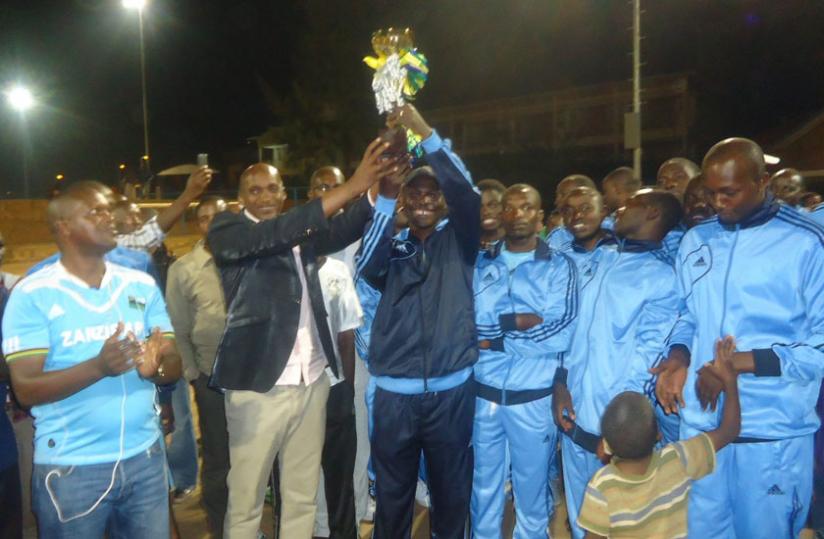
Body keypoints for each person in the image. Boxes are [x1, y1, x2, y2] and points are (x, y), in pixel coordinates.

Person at [207, 140, 399, 539]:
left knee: (302, 495)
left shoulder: (301, 233)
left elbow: (345, 227)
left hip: (311, 383)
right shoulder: (229, 230)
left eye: (273, 188)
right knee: (247, 500)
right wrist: (350, 186)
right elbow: (273, 236)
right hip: (258, 388)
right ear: (241, 196)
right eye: (254, 190)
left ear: (283, 192)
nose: (264, 197)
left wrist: (377, 188)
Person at [654, 137, 824, 538]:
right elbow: (686, 314)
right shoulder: (697, 240)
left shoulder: (807, 241)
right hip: (703, 427)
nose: (717, 203)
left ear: (762, 181)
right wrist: (678, 357)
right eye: (711, 192)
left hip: (770, 430)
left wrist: (738, 364)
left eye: (729, 193)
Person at [1, 183, 181, 538]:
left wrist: (157, 369)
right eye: (95, 211)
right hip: (72, 470)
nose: (109, 217)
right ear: (64, 227)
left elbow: (174, 359)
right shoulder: (32, 294)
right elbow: (25, 389)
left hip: (145, 459)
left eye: (108, 209)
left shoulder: (139, 284)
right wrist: (98, 368)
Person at [359, 104, 480, 539]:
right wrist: (387, 195)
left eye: (433, 193)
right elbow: (365, 265)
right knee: (393, 499)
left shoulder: (462, 241)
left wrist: (423, 131)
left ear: (443, 201)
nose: (425, 199)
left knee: (451, 496)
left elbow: (468, 193)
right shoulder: (389, 245)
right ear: (406, 202)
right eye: (416, 194)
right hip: (395, 396)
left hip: (451, 393)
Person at [553, 189, 682, 539]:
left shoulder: (661, 278)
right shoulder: (601, 258)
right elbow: (571, 330)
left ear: (652, 213)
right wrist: (560, 383)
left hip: (616, 433)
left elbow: (647, 361)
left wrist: (617, 433)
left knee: (624, 524)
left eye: (631, 205)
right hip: (575, 416)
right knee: (583, 520)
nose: (619, 211)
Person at [471, 184, 578, 538]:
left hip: (532, 398)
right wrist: (519, 322)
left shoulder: (560, 266)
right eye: (511, 208)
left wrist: (493, 337)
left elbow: (560, 330)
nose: (518, 214)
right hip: (483, 395)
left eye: (527, 207)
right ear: (501, 214)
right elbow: (468, 325)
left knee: (531, 496)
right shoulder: (480, 263)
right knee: (483, 489)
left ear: (540, 216)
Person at [578, 337, 742, 539]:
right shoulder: (679, 459)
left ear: (606, 444)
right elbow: (730, 430)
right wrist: (730, 380)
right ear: (658, 434)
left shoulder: (602, 486)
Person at [165, 196, 230, 536]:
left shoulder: (248, 255)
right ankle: (218, 525)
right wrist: (194, 376)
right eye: (204, 218)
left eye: (218, 215)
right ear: (198, 225)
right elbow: (176, 327)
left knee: (255, 453)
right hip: (210, 378)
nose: (211, 222)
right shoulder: (184, 269)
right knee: (218, 458)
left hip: (255, 378)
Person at [312, 254, 364, 539]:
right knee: (300, 475)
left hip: (334, 387)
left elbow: (347, 335)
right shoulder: (283, 267)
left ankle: (344, 532)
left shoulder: (337, 270)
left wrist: (347, 389)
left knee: (339, 472)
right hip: (297, 392)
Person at [116, 167, 212, 252]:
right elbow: (152, 231)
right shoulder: (115, 247)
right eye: (130, 217)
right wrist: (190, 192)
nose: (137, 221)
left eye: (138, 216)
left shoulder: (159, 250)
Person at [557, 187, 613, 258]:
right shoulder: (559, 259)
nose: (577, 216)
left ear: (603, 212)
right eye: (569, 211)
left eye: (586, 208)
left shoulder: (623, 252)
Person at [546, 174, 597, 250]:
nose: (556, 201)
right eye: (557, 196)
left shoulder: (611, 229)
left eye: (563, 195)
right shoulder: (555, 233)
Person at [477, 178, 506, 250]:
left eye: (492, 205)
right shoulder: (465, 247)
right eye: (479, 206)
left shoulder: (521, 245)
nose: (486, 212)